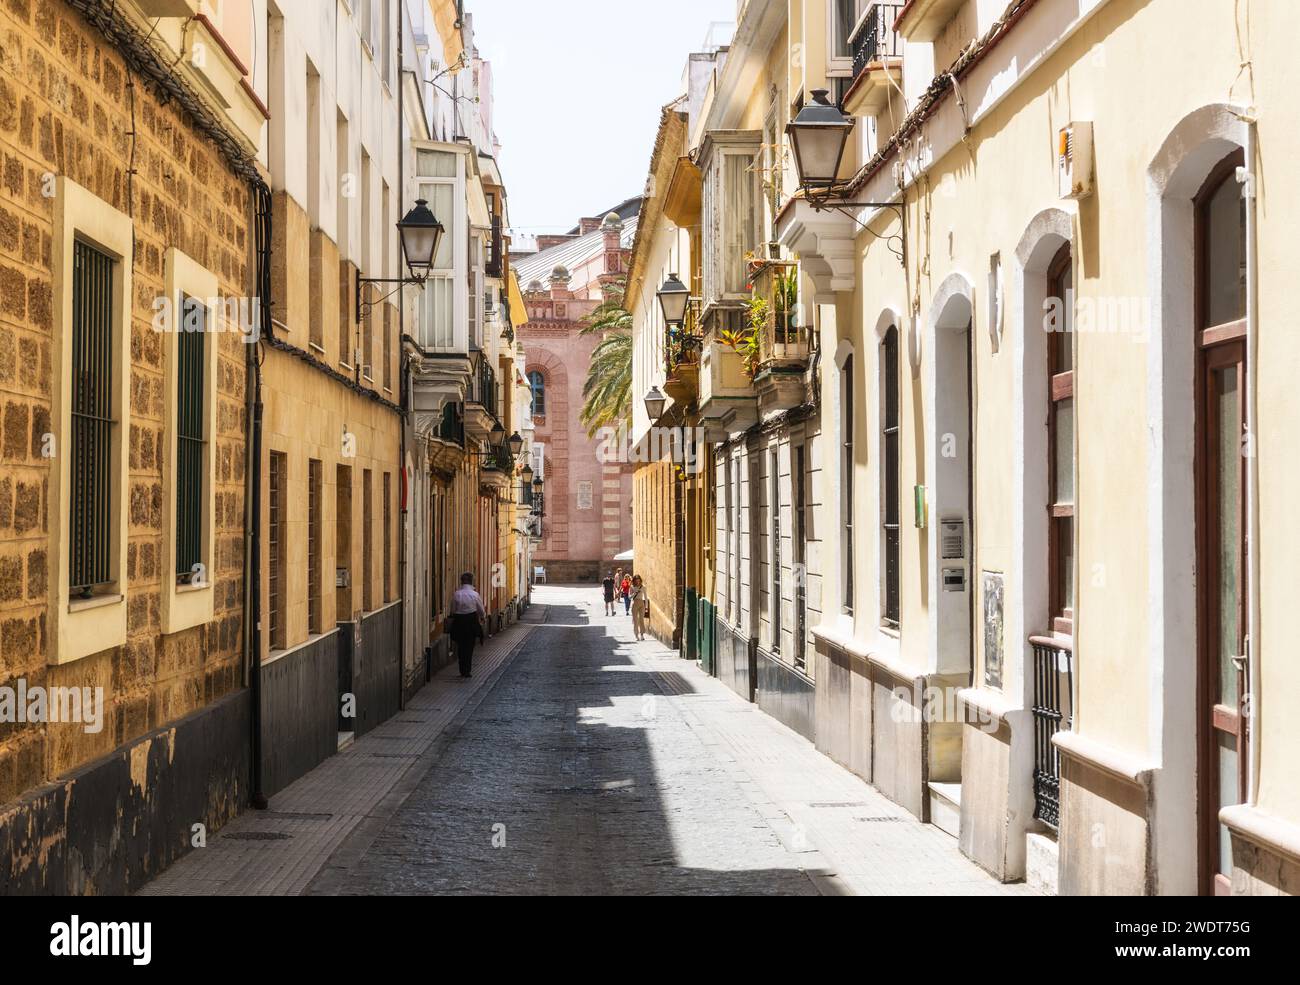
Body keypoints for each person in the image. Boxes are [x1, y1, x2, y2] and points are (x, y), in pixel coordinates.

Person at [449, 572, 486, 678]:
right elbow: (481, 610)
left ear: (461, 581)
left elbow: (452, 610)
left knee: (461, 646)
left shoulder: (457, 594)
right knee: (469, 647)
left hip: (459, 622)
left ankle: (462, 669)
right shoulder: (475, 595)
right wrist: (482, 617)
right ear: (471, 581)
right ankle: (467, 670)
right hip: (471, 622)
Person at [630, 575, 650, 641]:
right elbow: (629, 597)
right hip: (634, 604)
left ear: (640, 580)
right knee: (635, 621)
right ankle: (636, 635)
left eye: (639, 580)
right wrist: (634, 593)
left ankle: (642, 634)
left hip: (641, 603)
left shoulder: (643, 587)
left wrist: (646, 607)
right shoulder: (632, 587)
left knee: (641, 620)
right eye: (636, 580)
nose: (638, 581)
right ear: (634, 580)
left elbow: (646, 597)